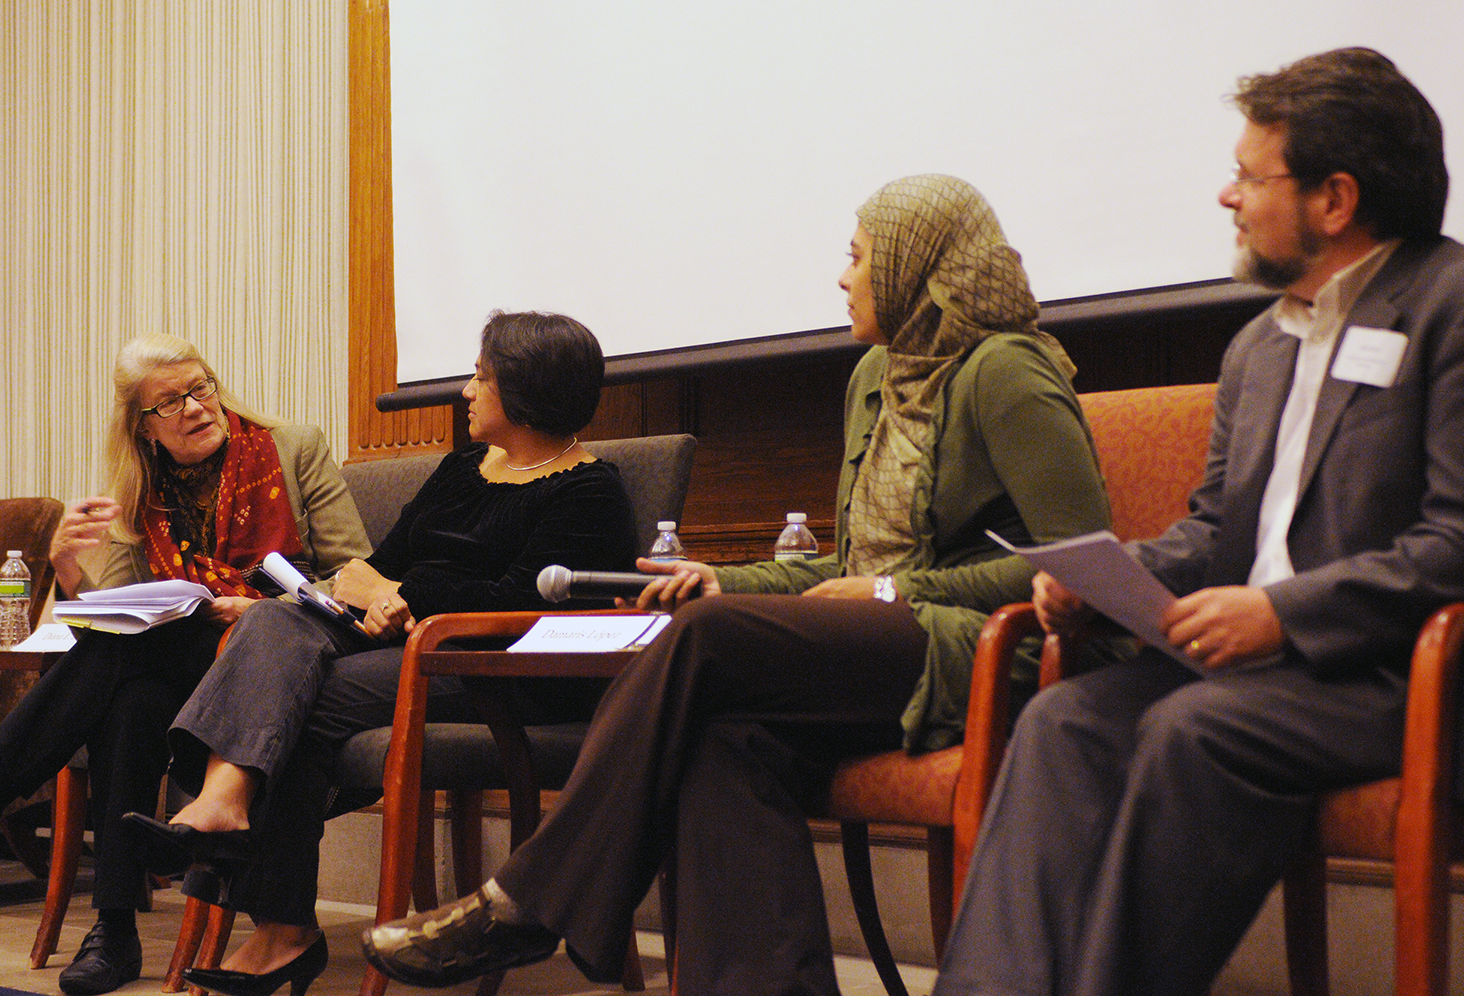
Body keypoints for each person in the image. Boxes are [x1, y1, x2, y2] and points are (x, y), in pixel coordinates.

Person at [360, 175, 1114, 996]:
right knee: (721, 739)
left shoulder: (1009, 371)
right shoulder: (875, 378)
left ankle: (527, 899)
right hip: (877, 644)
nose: (843, 277)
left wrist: (896, 596)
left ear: (914, 265)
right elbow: (851, 565)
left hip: (981, 647)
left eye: (858, 258)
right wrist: (722, 575)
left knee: (705, 644)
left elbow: (1072, 560)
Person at [931, 48, 1464, 996]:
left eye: (1249, 176)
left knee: (1192, 728)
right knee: (1060, 719)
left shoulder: (1447, 309)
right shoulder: (1257, 345)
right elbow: (1214, 530)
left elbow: (1454, 543)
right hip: (1242, 674)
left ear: (1334, 200)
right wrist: (1103, 577)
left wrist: (1283, 614)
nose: (1228, 197)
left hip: (1383, 670)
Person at [123, 310, 638, 996]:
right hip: (405, 640)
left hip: (494, 671)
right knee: (271, 624)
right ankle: (226, 804)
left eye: (481, 377)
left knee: (296, 702)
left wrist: (407, 594)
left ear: (524, 391)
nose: (466, 390)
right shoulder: (462, 469)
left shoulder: (589, 489)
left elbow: (526, 604)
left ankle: (274, 918)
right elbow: (378, 566)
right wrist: (378, 590)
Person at [0, 333, 370, 995]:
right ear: (142, 427)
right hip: (188, 665)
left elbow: (354, 572)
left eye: (199, 387)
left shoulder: (293, 448)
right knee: (130, 693)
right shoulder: (141, 492)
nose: (195, 407)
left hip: (286, 654)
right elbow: (116, 617)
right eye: (171, 402)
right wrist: (67, 566)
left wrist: (261, 608)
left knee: (130, 681)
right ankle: (114, 928)